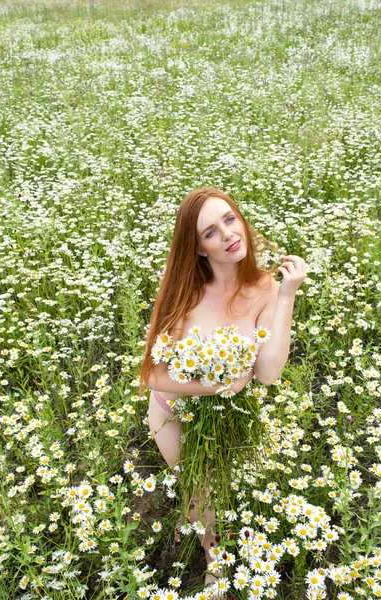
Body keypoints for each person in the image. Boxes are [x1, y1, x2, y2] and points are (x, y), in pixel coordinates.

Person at [139, 186, 306, 589]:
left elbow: (266, 374)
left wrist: (286, 296)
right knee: (201, 491)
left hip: (225, 418)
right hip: (173, 413)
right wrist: (220, 386)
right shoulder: (185, 289)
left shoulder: (265, 288)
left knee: (216, 484)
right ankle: (215, 561)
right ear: (198, 249)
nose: (228, 235)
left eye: (229, 220)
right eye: (210, 232)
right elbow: (153, 375)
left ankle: (198, 518)